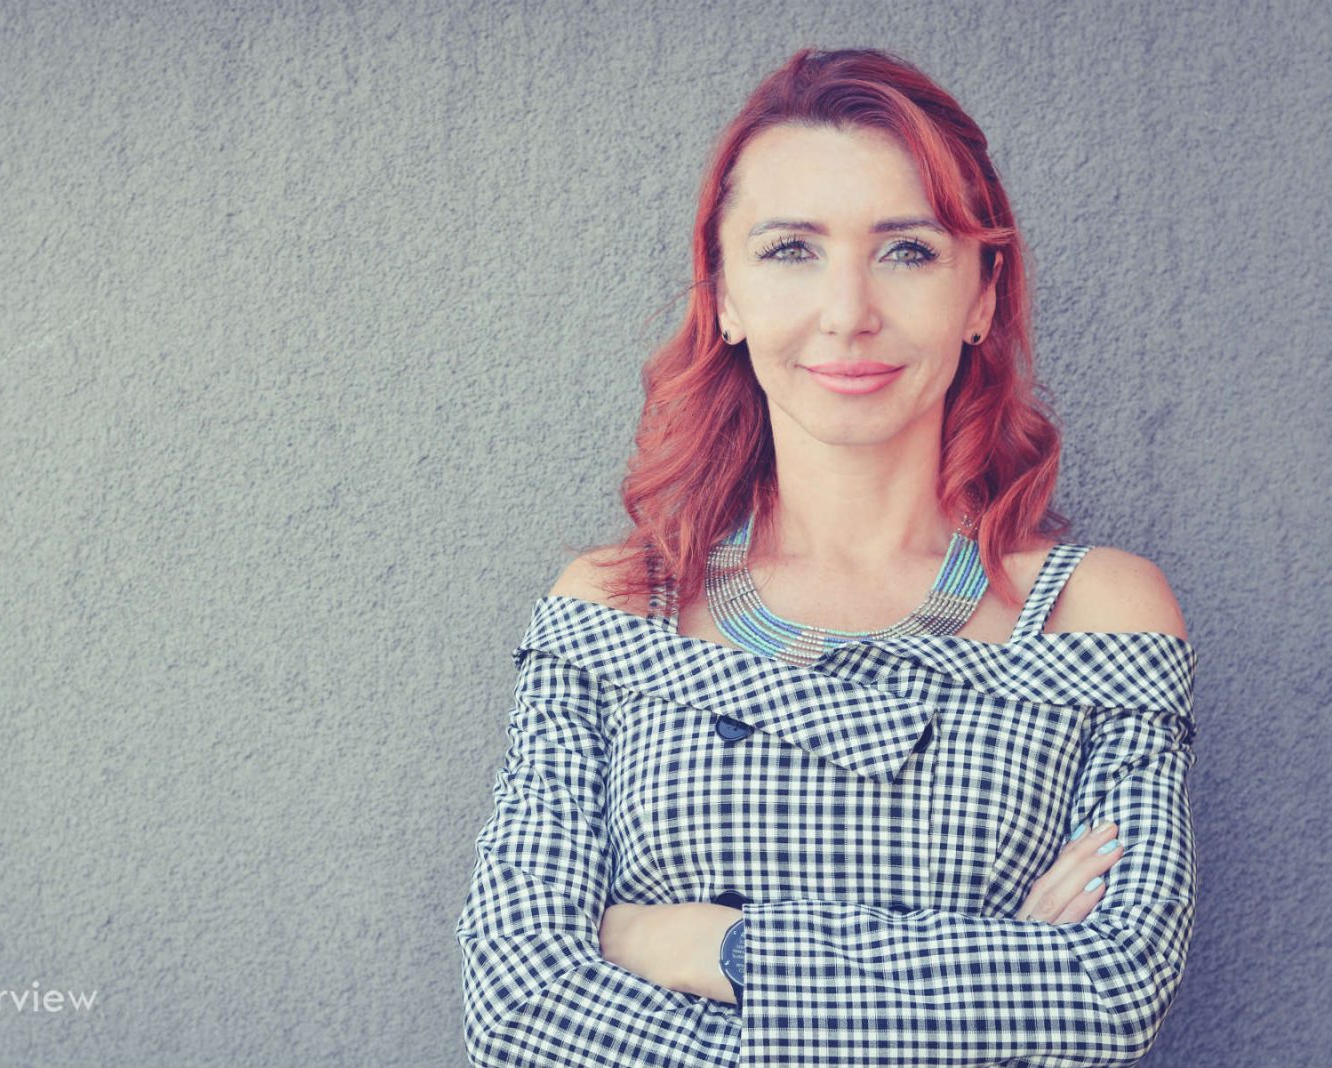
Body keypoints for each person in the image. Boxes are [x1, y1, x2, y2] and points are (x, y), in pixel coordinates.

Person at [455, 46, 1195, 1068]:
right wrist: (991, 975)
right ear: (724, 293)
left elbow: (1106, 995)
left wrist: (708, 947)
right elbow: (520, 1012)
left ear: (982, 296)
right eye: (792, 250)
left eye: (908, 251)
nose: (849, 312)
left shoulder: (1094, 613)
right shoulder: (620, 605)